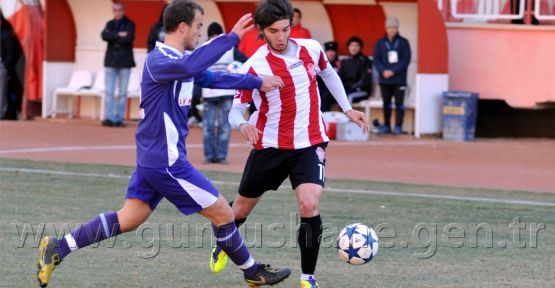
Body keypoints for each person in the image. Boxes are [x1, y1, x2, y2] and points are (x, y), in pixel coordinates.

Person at [36, 1, 292, 287]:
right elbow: (192, 65)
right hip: (166, 162)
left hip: (154, 160)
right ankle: (252, 272)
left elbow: (211, 77)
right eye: (197, 26)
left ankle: (58, 248)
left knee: (130, 219)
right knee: (223, 212)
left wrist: (255, 82)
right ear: (182, 26)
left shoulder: (179, 62)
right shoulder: (161, 61)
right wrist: (230, 39)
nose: (199, 32)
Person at [210, 1, 369, 287]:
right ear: (261, 30)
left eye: (285, 29)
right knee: (239, 211)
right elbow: (236, 108)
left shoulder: (311, 48)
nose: (281, 36)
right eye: (273, 31)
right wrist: (243, 124)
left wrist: (347, 108)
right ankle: (223, 241)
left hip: (310, 142)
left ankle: (308, 278)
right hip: (269, 145)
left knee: (309, 204)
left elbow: (328, 73)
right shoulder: (254, 66)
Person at [201, 22, 248, 164]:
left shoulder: (231, 49)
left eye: (218, 35)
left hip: (227, 93)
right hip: (208, 94)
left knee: (224, 127)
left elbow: (246, 61)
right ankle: (209, 156)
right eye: (212, 35)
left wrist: (237, 70)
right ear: (209, 36)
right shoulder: (203, 49)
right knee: (207, 128)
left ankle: (221, 156)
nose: (215, 38)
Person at [373, 16, 411, 135]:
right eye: (389, 27)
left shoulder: (404, 42)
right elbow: (376, 59)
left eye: (394, 27)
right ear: (386, 28)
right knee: (386, 103)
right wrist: (383, 71)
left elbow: (406, 60)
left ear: (397, 28)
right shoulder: (380, 43)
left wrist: (393, 71)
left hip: (399, 79)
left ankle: (398, 126)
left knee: (399, 104)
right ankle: (387, 125)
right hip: (385, 80)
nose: (392, 30)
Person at [101, 2, 135, 127]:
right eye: (115, 10)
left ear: (123, 10)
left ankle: (119, 119)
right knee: (109, 91)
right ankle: (109, 118)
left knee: (122, 93)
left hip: (125, 63)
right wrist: (118, 35)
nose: (117, 12)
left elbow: (129, 38)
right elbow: (104, 35)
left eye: (119, 10)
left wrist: (113, 38)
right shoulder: (109, 24)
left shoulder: (130, 24)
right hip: (110, 62)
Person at [0, 12, 23, 120]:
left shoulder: (6, 34)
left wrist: (6, 67)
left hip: (2, 67)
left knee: (3, 92)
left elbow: (12, 52)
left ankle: (2, 113)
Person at [338, 36, 373, 104]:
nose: (354, 48)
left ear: (360, 47)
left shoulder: (365, 61)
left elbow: (365, 80)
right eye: (352, 45)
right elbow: (340, 77)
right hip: (347, 89)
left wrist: (352, 87)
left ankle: (346, 115)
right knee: (328, 96)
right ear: (348, 47)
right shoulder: (345, 61)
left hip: (361, 90)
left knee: (348, 97)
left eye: (356, 46)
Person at [317, 41, 340, 112]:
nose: (331, 53)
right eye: (329, 51)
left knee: (326, 96)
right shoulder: (320, 64)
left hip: (334, 91)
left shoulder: (339, 64)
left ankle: (324, 117)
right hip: (322, 89)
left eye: (333, 51)